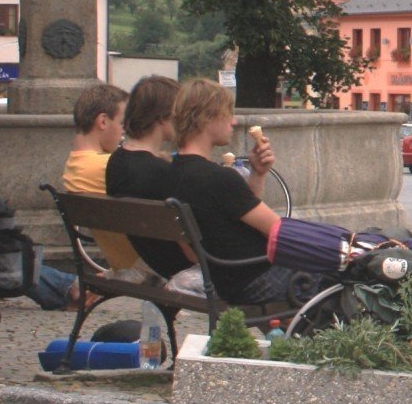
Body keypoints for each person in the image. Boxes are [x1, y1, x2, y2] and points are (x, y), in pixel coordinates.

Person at [167, 79, 286, 306]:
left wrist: (258, 175)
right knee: (347, 273)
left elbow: (237, 223)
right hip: (256, 280)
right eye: (227, 113)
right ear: (206, 118)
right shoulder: (218, 178)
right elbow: (279, 231)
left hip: (223, 280)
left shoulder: (173, 173)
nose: (233, 121)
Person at [107, 75, 194, 280]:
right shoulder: (161, 172)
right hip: (181, 265)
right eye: (179, 114)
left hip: (154, 258)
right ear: (163, 117)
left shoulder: (117, 161)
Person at [62, 82, 148, 278]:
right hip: (152, 267)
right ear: (103, 122)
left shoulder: (74, 166)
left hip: (125, 266)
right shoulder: (109, 167)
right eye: (122, 123)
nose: (125, 131)